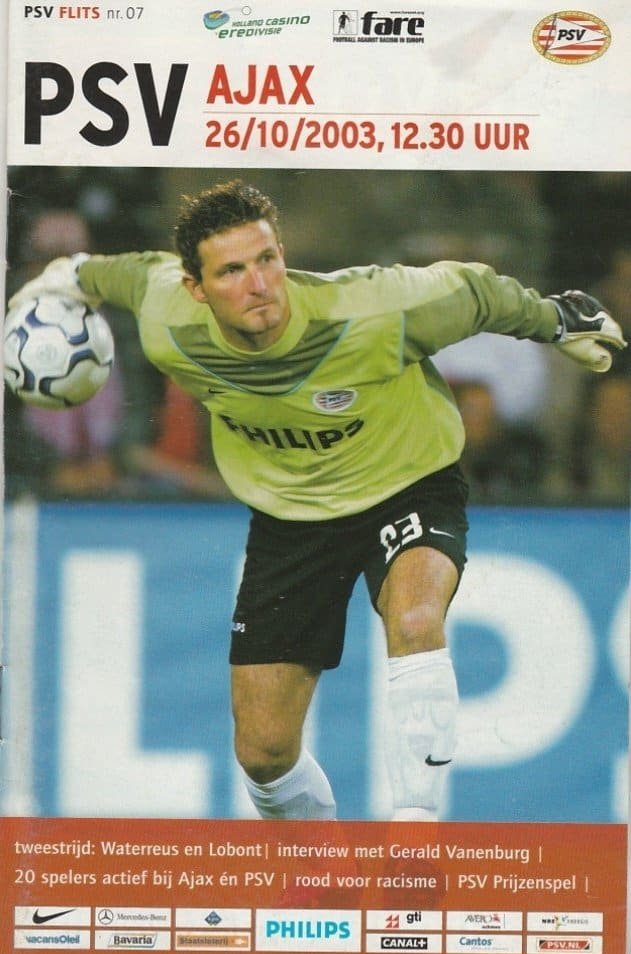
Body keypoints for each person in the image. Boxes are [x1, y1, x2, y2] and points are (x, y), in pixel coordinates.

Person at [7, 180, 626, 822]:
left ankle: (416, 840)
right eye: (232, 271)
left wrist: (555, 320)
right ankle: (326, 868)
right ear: (196, 288)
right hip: (291, 517)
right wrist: (56, 283)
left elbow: (473, 292)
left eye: (266, 259)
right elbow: (109, 274)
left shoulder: (368, 310)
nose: (259, 284)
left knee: (416, 618)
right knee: (264, 754)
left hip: (407, 482)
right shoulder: (169, 320)